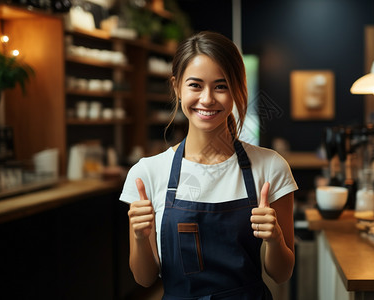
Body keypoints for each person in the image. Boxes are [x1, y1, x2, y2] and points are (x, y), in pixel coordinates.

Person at [119, 31, 298, 299]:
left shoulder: (270, 166)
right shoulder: (147, 173)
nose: (207, 99)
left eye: (221, 86)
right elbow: (144, 279)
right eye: (195, 85)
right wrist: (140, 237)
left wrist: (274, 240)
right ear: (177, 87)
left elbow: (282, 274)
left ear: (238, 89)